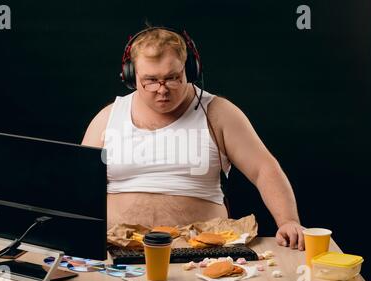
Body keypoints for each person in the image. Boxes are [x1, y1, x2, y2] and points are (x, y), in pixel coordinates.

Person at [82, 27, 305, 250]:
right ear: (131, 76)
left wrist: (288, 221)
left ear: (190, 70)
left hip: (201, 253)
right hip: (116, 249)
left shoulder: (219, 113)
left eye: (172, 78)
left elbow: (264, 169)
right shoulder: (109, 117)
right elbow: (77, 182)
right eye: (150, 80)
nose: (162, 90)